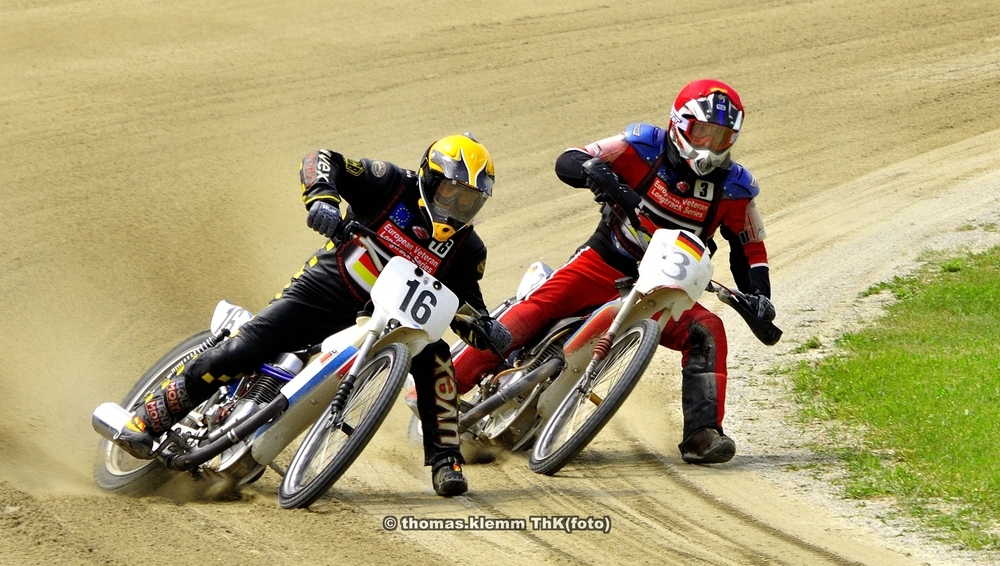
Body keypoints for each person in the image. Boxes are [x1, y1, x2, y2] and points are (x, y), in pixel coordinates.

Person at [116, 133, 512, 496]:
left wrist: (487, 329)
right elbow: (323, 159)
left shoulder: (469, 250)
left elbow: (463, 304)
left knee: (437, 355)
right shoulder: (390, 183)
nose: (456, 207)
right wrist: (322, 199)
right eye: (450, 193)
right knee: (245, 348)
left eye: (468, 201)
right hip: (326, 288)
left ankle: (446, 459)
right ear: (428, 178)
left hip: (390, 321)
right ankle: (149, 418)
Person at [452, 79, 774, 464]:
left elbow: (750, 249)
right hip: (603, 262)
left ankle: (703, 434)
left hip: (666, 288)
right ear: (679, 123)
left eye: (720, 137)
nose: (708, 144)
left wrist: (761, 297)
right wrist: (596, 174)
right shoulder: (641, 143)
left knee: (708, 330)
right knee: (536, 309)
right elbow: (570, 159)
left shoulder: (738, 187)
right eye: (702, 131)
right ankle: (442, 388)